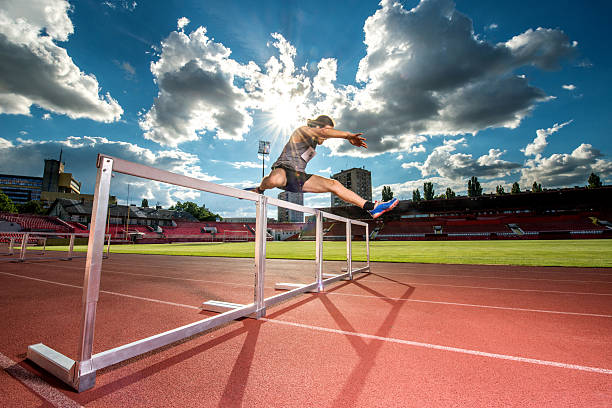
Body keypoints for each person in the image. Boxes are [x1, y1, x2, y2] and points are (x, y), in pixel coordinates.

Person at [250, 115, 398, 219]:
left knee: (334, 184)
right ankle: (260, 189)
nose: (327, 136)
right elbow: (323, 132)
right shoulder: (302, 131)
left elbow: (323, 133)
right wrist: (348, 136)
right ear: (317, 127)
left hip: (299, 177)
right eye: (326, 132)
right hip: (282, 169)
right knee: (276, 179)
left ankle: (372, 207)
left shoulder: (314, 144)